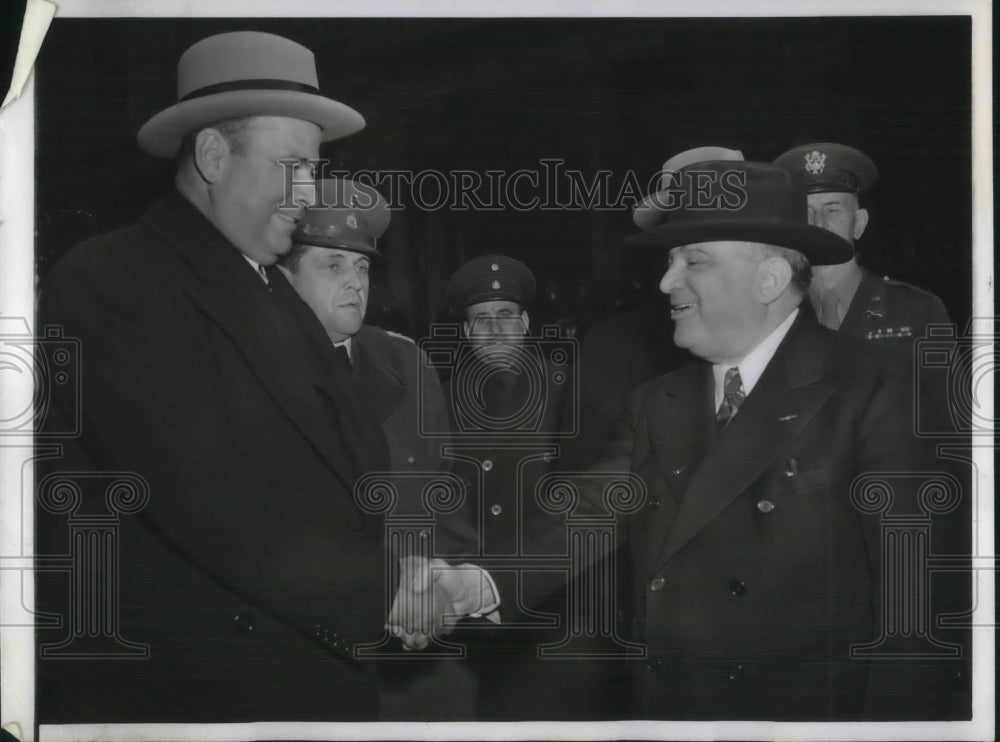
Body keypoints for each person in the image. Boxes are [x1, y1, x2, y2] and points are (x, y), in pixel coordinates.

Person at [392, 160, 963, 720]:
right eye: (669, 262)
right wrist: (475, 583)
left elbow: (914, 613)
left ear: (768, 278)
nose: (667, 282)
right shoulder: (659, 400)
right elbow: (588, 514)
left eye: (694, 261)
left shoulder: (877, 387)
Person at [35, 32, 410, 722]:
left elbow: (354, 462)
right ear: (212, 155)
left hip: (308, 674)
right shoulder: (110, 279)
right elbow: (214, 499)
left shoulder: (270, 288)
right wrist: (389, 590)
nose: (308, 194)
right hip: (191, 698)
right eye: (292, 166)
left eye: (315, 168)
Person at [275, 177, 478, 720]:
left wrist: (440, 590)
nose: (354, 283)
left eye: (362, 267)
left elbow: (445, 493)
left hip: (421, 644)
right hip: (306, 647)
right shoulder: (257, 371)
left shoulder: (405, 363)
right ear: (283, 275)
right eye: (333, 265)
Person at [436, 256, 626, 720]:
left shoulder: (573, 388)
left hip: (556, 603)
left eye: (506, 317)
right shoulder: (438, 397)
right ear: (465, 332)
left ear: (525, 323)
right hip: (474, 605)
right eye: (482, 320)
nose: (495, 330)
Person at [772, 143, 951, 342]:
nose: (818, 223)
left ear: (859, 223)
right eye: (807, 212)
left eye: (832, 210)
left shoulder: (918, 310)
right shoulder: (772, 315)